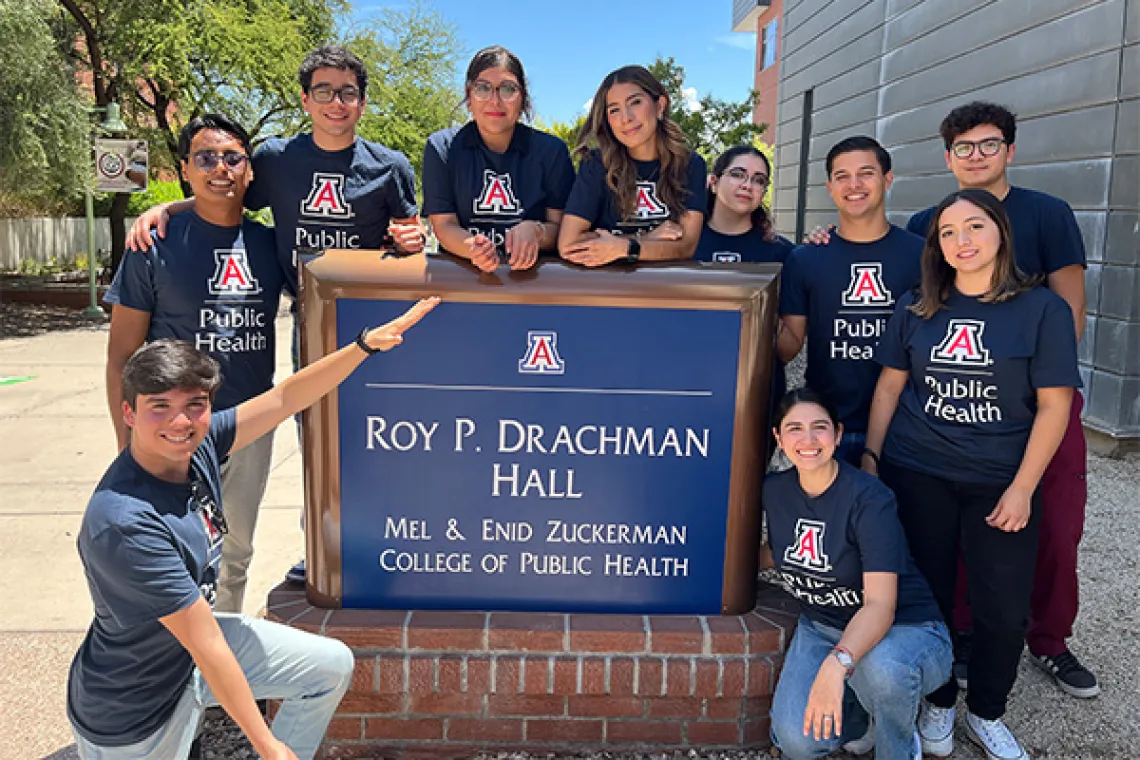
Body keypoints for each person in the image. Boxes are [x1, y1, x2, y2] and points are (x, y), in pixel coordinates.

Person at [68, 296, 438, 759]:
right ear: (129, 413)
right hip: (134, 715)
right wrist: (268, 745)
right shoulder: (125, 523)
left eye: (195, 405)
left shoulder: (194, 447)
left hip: (186, 662)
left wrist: (363, 346)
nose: (180, 421)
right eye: (159, 406)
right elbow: (205, 641)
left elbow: (284, 398)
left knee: (327, 667)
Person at [127, 45, 425, 584]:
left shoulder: (390, 168)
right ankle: (323, 548)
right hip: (310, 329)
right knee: (318, 440)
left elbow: (409, 239)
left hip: (373, 329)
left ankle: (379, 547)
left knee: (376, 440)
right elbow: (221, 192)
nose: (337, 102)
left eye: (349, 92)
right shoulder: (274, 160)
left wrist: (413, 237)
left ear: (362, 101)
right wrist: (165, 207)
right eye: (324, 91)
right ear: (306, 99)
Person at [864, 189, 1078, 760]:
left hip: (999, 480)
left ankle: (987, 711)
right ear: (936, 245)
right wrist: (873, 460)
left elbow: (1055, 405)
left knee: (1003, 607)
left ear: (1001, 233)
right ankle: (936, 703)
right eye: (948, 232)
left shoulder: (1041, 310)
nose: (962, 241)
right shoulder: (916, 305)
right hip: (919, 472)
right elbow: (890, 387)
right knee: (927, 599)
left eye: (975, 226)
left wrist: (1023, 487)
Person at [907, 101, 1096, 699]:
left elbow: (1072, 310)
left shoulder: (1047, 214)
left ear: (1010, 150)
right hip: (961, 406)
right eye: (964, 147)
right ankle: (966, 633)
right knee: (964, 524)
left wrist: (1041, 388)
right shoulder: (925, 222)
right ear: (948, 158)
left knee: (1057, 525)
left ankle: (1050, 639)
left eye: (989, 144)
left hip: (1041, 399)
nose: (977, 156)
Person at [105, 114, 285, 615]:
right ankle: (168, 672)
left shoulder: (269, 244)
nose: (220, 168)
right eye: (205, 158)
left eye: (232, 158)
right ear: (186, 169)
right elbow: (122, 353)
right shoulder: (153, 245)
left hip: (247, 424)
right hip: (173, 423)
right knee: (169, 553)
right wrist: (129, 441)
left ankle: (214, 675)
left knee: (234, 554)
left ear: (248, 171)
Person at [764, 388, 950, 760]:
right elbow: (777, 553)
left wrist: (836, 664)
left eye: (820, 427)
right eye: (795, 428)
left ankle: (896, 745)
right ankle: (863, 714)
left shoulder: (869, 498)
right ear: (778, 438)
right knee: (797, 742)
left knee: (884, 670)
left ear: (837, 433)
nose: (808, 439)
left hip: (906, 629)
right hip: (823, 626)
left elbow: (881, 605)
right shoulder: (774, 491)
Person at [776, 136, 923, 465]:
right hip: (829, 428)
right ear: (830, 187)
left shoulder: (920, 255)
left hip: (905, 427)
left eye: (866, 173)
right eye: (842, 176)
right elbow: (788, 348)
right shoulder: (806, 259)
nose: (853, 185)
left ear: (887, 179)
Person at [422, 45, 575, 273]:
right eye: (483, 88)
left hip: (534, 283)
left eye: (507, 89)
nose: (495, 101)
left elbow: (563, 230)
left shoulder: (552, 151)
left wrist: (536, 231)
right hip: (465, 278)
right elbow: (444, 225)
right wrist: (473, 248)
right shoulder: (441, 148)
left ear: (523, 99)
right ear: (468, 97)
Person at [557, 65, 707, 266]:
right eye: (614, 110)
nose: (626, 118)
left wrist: (622, 247)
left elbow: (686, 246)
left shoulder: (690, 165)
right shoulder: (597, 164)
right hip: (610, 289)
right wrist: (647, 239)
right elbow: (568, 244)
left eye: (635, 102)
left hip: (666, 291)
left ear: (660, 105)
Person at [693, 145, 792, 264]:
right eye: (737, 175)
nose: (747, 186)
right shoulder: (684, 243)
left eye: (759, 180)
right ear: (714, 182)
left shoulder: (783, 254)